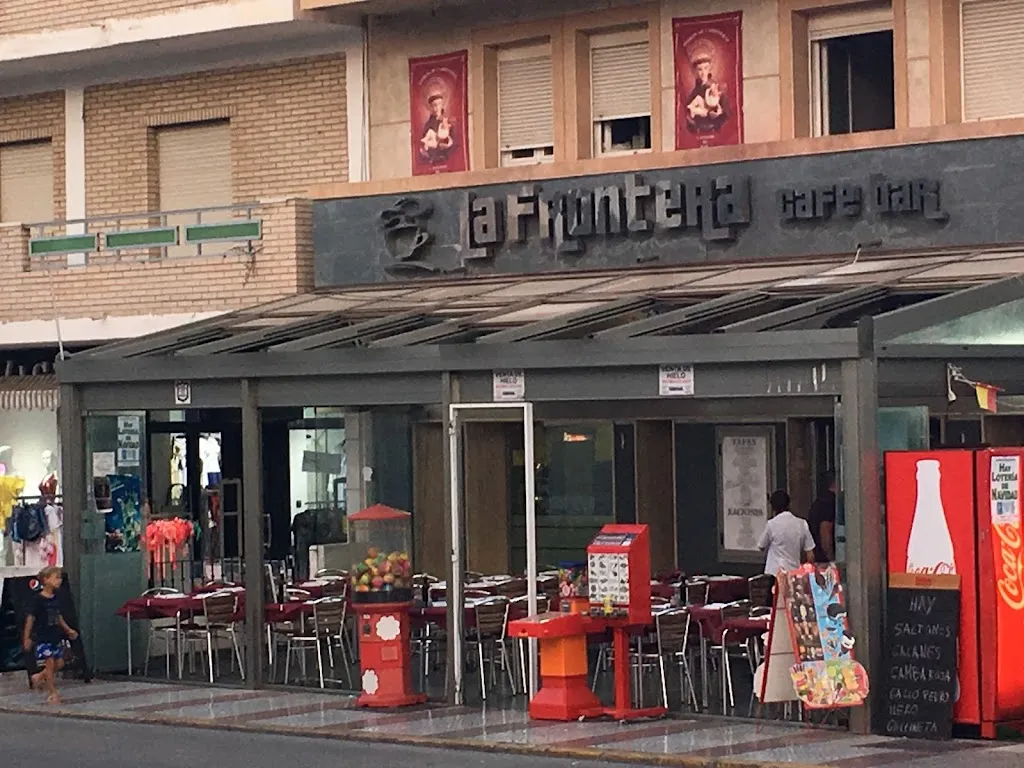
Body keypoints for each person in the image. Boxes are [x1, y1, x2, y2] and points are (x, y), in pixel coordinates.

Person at [23, 566, 78, 703]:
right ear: (46, 579)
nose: (59, 581)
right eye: (56, 578)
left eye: (60, 578)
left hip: (54, 635)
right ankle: (52, 693)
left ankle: (38, 677)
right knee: (49, 664)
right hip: (43, 636)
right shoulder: (38, 600)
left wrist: (68, 630)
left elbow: (58, 616)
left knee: (59, 663)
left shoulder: (55, 598)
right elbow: (30, 618)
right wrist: (27, 637)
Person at [757, 490, 816, 578]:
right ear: (789, 504)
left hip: (774, 573)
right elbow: (810, 554)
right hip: (794, 573)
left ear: (773, 507)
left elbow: (761, 546)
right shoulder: (802, 524)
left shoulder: (771, 524)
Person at [807, 471, 837, 563]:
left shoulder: (818, 503)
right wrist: (831, 559)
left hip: (818, 555)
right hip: (825, 560)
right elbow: (825, 531)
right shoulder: (829, 502)